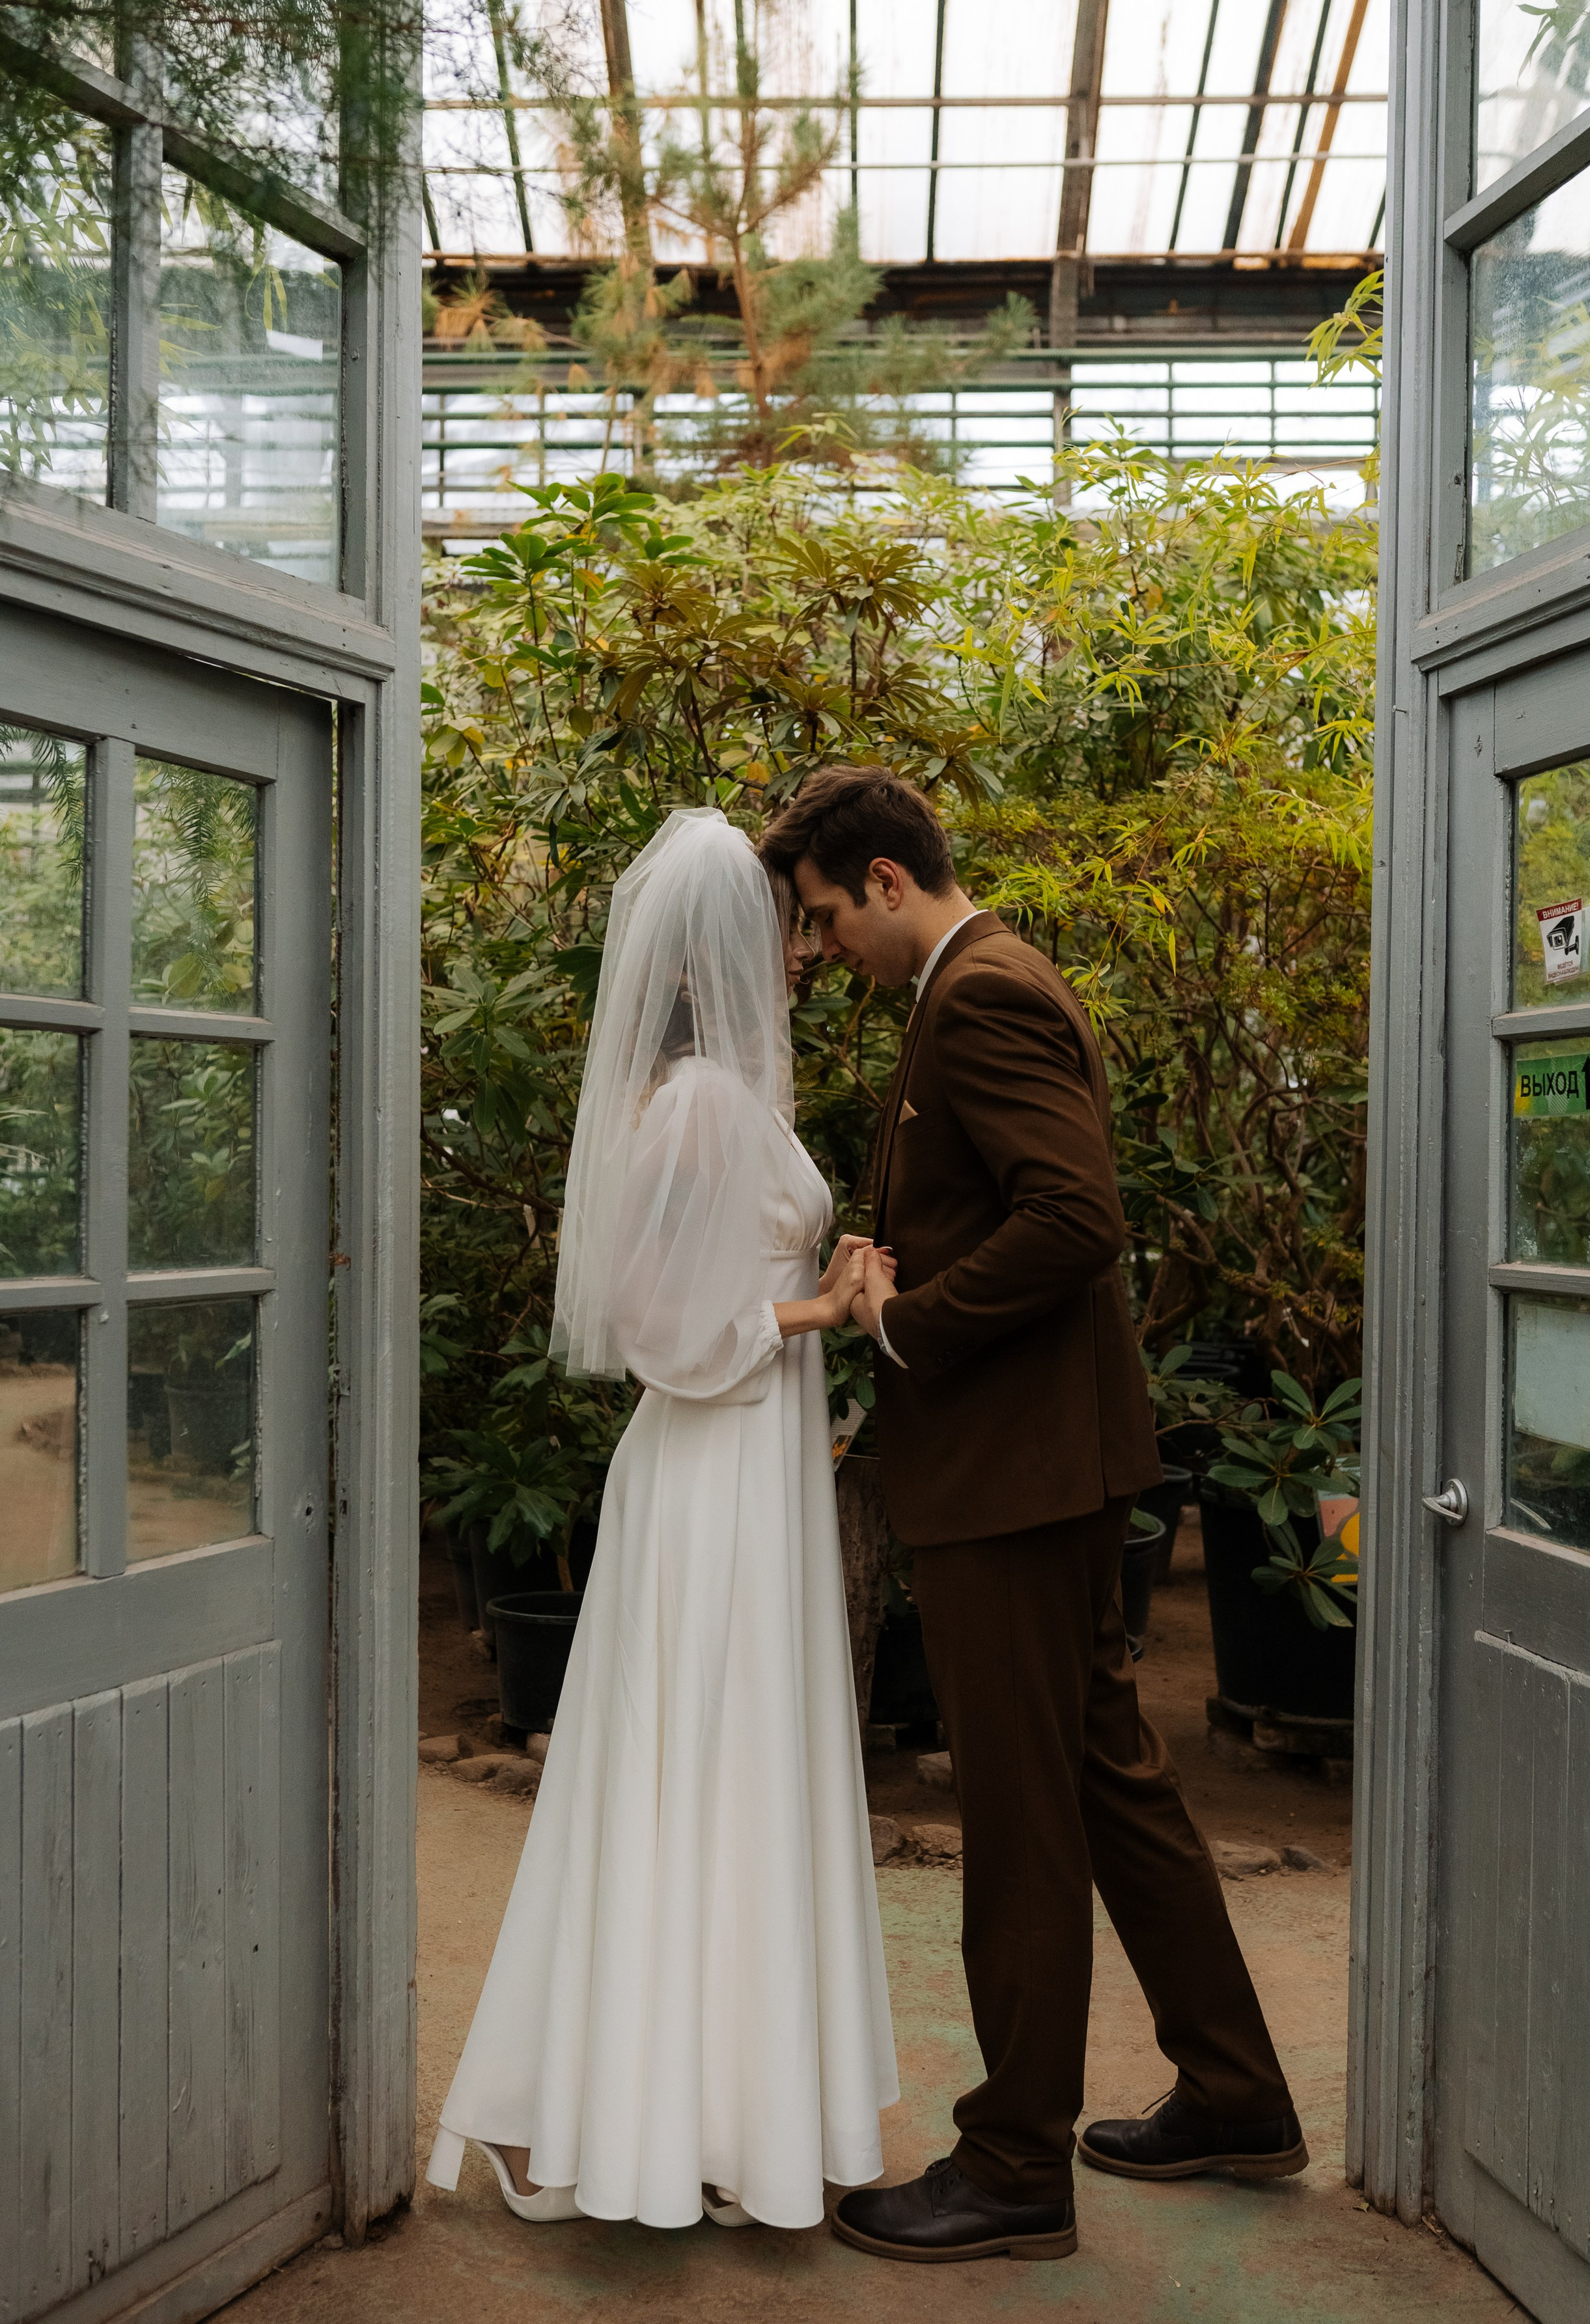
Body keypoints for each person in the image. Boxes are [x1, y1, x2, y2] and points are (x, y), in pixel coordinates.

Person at [758, 765, 1305, 2267]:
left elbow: (1073, 1218)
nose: (816, 953)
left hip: (1011, 1480)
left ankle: (1010, 2168)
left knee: (1017, 1822)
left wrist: (905, 1318)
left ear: (881, 879)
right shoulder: (977, 983)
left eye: (819, 919)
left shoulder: (978, 991)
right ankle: (1236, 2092)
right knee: (1107, 1779)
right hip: (1041, 1468)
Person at [427, 807, 899, 2232]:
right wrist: (811, 1304)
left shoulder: (726, 1091)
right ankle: (658, 2117)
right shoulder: (698, 1100)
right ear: (726, 952)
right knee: (698, 1772)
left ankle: (709, 2109)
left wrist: (832, 1278)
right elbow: (653, 1322)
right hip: (708, 1471)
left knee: (730, 1775)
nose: (806, 948)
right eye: (785, 928)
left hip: (749, 1464)